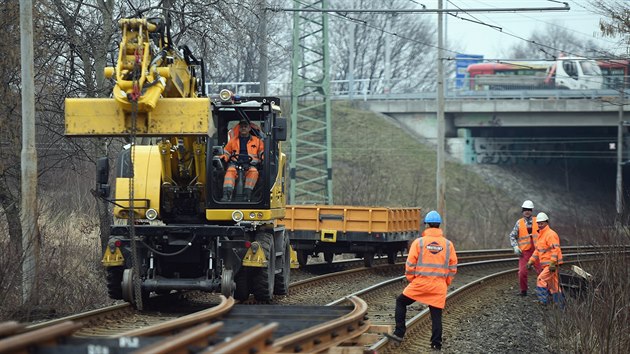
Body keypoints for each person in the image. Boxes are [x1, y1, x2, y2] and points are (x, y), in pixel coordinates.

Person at [385, 210, 458, 351]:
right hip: (438, 286)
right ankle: (436, 344)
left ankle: (399, 333)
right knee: (436, 315)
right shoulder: (448, 245)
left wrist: (412, 279)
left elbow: (410, 264)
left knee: (401, 301)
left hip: (420, 284)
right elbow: (453, 267)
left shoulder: (419, 243)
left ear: (427, 225)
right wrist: (446, 282)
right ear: (439, 226)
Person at [220, 119, 264, 202]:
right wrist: (223, 157)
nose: (243, 128)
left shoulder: (257, 141)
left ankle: (247, 195)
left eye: (245, 126)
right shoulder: (233, 141)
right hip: (235, 164)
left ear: (249, 128)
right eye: (241, 126)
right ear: (239, 128)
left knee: (253, 172)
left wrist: (263, 159)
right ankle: (227, 195)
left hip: (251, 165)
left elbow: (262, 153)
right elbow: (226, 153)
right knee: (230, 171)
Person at [527, 212, 564, 305]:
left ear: (546, 222)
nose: (540, 225)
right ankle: (561, 306)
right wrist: (531, 261)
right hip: (548, 265)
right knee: (554, 286)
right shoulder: (541, 235)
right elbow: (537, 251)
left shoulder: (550, 234)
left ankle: (543, 301)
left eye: (541, 223)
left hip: (551, 265)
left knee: (541, 279)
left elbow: (555, 249)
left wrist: (552, 263)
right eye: (538, 223)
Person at [508, 200, 541, 296]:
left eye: (529, 210)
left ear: (532, 211)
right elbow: (512, 236)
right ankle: (523, 291)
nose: (527, 211)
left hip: (537, 251)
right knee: (522, 272)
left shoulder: (538, 221)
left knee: (541, 272)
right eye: (525, 210)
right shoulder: (519, 223)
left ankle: (544, 291)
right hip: (524, 252)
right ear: (522, 211)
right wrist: (515, 246)